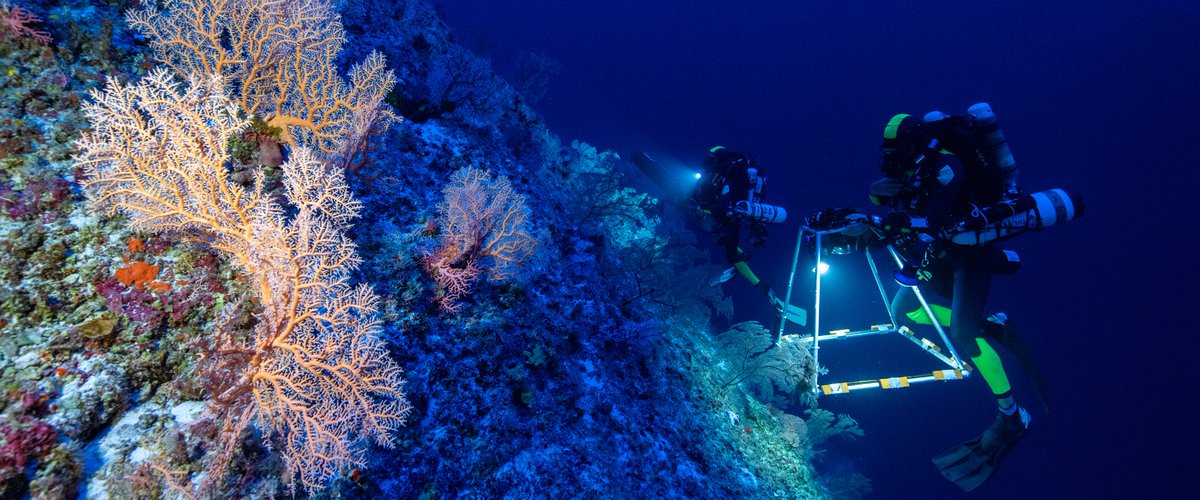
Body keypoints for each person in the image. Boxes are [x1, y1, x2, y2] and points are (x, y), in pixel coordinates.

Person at [869, 111, 1049, 492]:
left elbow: (930, 222)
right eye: (888, 152)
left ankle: (1012, 416)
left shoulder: (946, 166)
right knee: (901, 311)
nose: (891, 158)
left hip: (970, 253)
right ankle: (989, 324)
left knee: (963, 335)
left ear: (917, 145)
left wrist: (892, 220)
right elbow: (908, 208)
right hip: (941, 252)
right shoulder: (913, 166)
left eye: (897, 150)